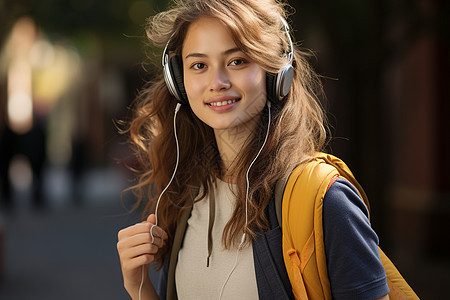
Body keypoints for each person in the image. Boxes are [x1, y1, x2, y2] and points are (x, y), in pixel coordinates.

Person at [116, 0, 390, 299]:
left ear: (276, 74)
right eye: (199, 65)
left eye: (237, 61)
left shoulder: (325, 200)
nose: (216, 82)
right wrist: (138, 285)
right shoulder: (189, 195)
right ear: (178, 82)